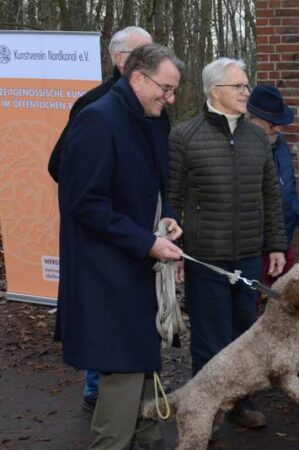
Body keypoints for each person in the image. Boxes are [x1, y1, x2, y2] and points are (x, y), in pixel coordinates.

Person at [57, 43, 184, 450]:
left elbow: (143, 189)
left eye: (174, 90)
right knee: (124, 370)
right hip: (105, 277)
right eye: (165, 88)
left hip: (132, 272)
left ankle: (149, 441)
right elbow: (85, 203)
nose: (171, 98)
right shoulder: (98, 119)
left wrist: (164, 219)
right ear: (137, 78)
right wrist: (146, 242)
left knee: (143, 364)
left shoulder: (145, 119)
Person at [168, 58, 287, 429]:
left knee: (244, 338)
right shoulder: (184, 137)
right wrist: (174, 254)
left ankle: (239, 402)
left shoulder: (257, 137)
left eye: (246, 85)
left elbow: (270, 194)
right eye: (238, 86)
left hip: (249, 257)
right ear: (214, 91)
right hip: (206, 260)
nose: (246, 92)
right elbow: (172, 200)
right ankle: (204, 416)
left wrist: (277, 245)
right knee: (209, 340)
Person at [48, 26, 153, 184]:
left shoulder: (155, 101)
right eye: (142, 53)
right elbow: (59, 164)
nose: (151, 61)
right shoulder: (94, 102)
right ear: (120, 59)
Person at [247, 85, 299, 285]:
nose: (278, 129)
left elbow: (290, 184)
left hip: (284, 241)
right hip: (256, 249)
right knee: (250, 305)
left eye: (280, 123)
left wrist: (295, 211)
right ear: (253, 120)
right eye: (272, 124)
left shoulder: (281, 145)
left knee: (283, 303)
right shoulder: (242, 150)